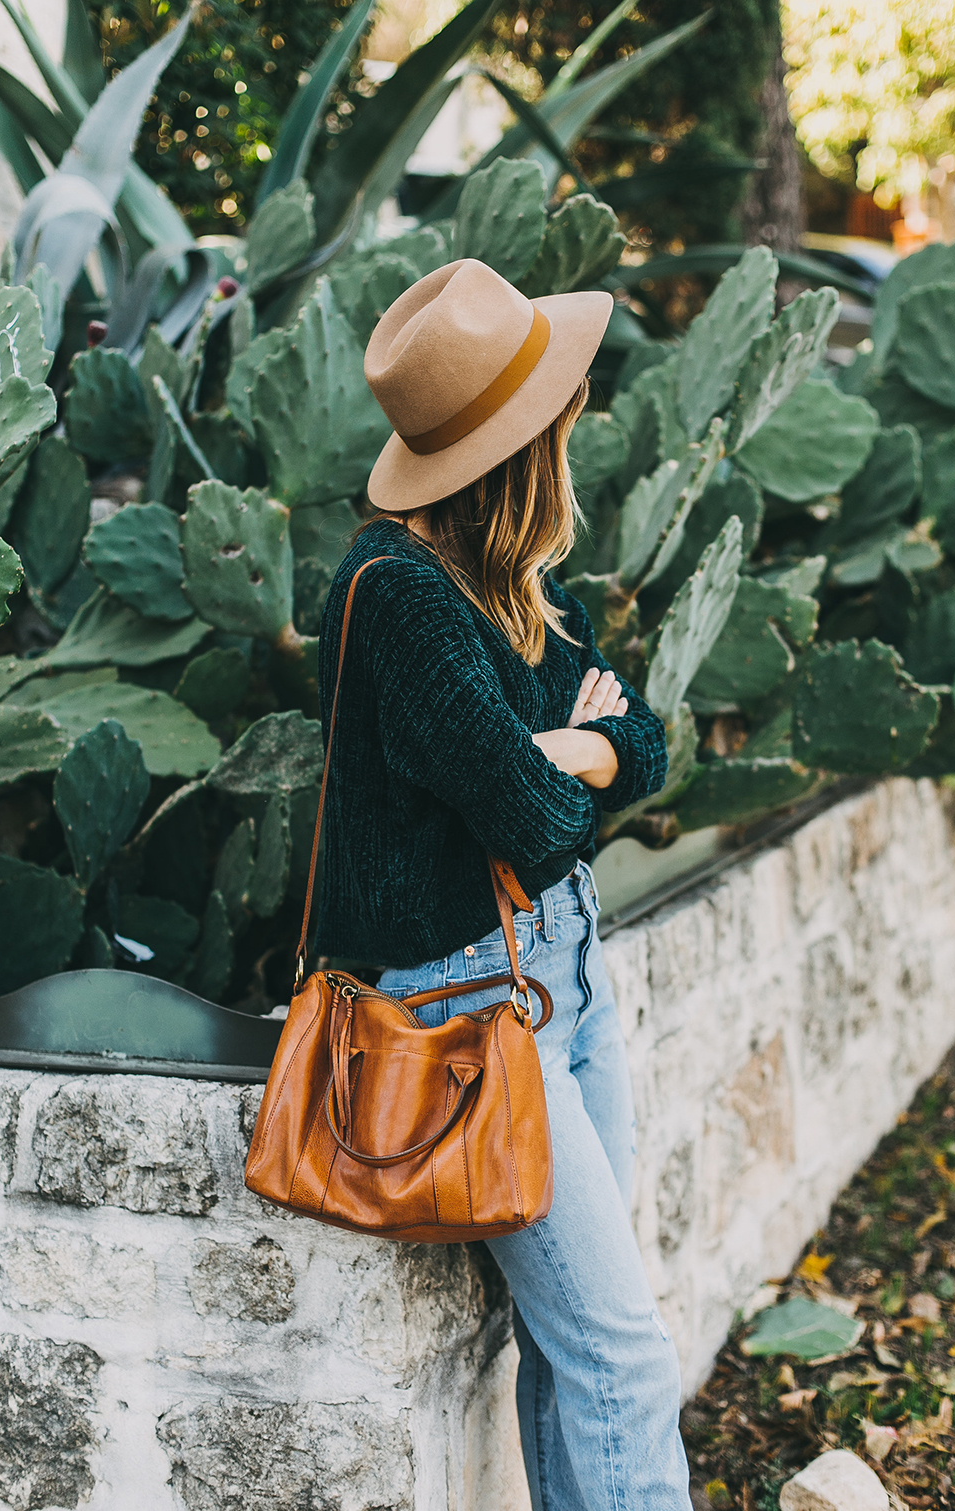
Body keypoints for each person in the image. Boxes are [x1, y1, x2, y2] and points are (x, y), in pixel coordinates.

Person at [313, 258, 690, 1511]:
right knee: (621, 1353)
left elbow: (645, 742)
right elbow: (537, 823)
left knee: (570, 1343)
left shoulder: (511, 578)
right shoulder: (399, 594)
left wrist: (549, 745)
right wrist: (559, 753)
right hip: (472, 1000)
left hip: (562, 973)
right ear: (526, 443)